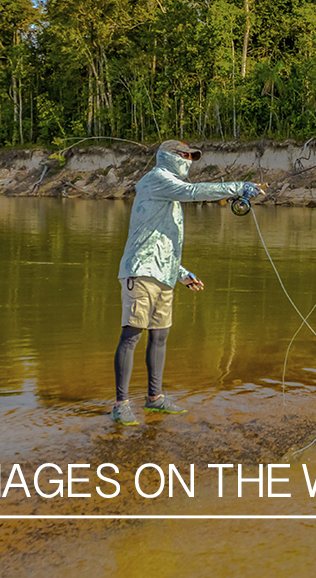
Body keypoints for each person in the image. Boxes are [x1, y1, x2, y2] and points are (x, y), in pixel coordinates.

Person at [111, 139, 263, 426]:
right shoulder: (156, 180)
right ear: (168, 156)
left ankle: (154, 399)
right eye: (185, 155)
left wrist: (182, 274)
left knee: (160, 336)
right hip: (140, 271)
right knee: (132, 334)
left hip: (165, 274)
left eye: (193, 157)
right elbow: (192, 192)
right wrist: (237, 187)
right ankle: (121, 404)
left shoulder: (169, 191)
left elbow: (162, 237)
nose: (189, 161)